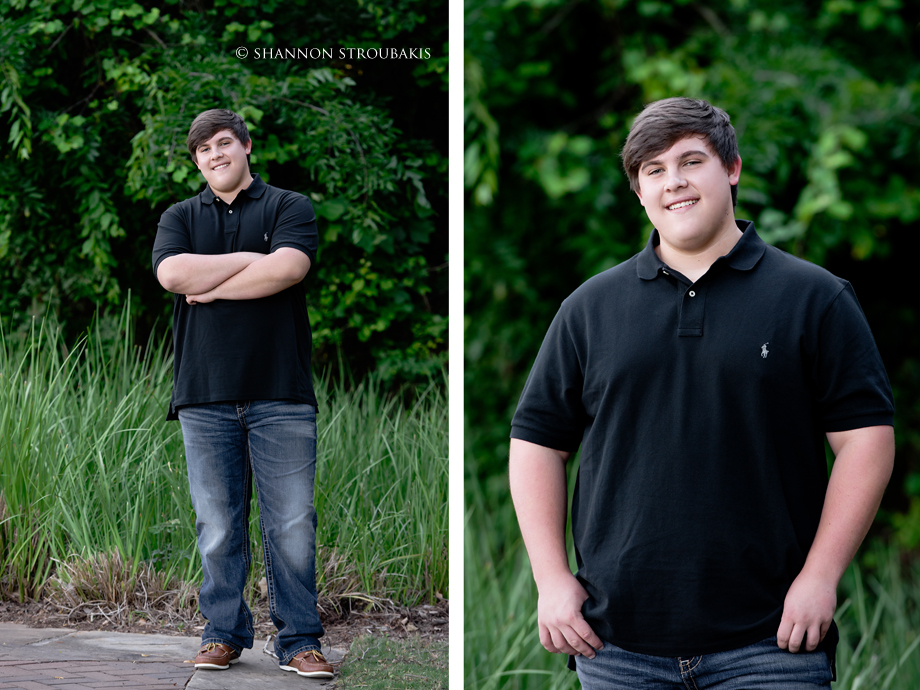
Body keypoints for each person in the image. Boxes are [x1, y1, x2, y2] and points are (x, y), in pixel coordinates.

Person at [509, 97, 895, 689]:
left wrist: (821, 576)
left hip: (773, 643)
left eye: (692, 160)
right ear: (639, 192)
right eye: (654, 170)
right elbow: (537, 442)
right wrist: (552, 579)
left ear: (733, 167)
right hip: (616, 646)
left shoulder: (814, 298)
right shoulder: (589, 308)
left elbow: (866, 440)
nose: (675, 182)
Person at [152, 108, 334, 679]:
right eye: (203, 150)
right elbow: (173, 276)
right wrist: (250, 263)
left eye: (224, 143)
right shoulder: (179, 216)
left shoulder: (288, 206)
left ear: (246, 146)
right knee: (218, 523)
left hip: (281, 390)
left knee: (291, 523)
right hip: (203, 394)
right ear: (197, 161)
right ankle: (223, 635)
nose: (215, 155)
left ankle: (299, 640)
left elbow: (290, 268)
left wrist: (215, 284)